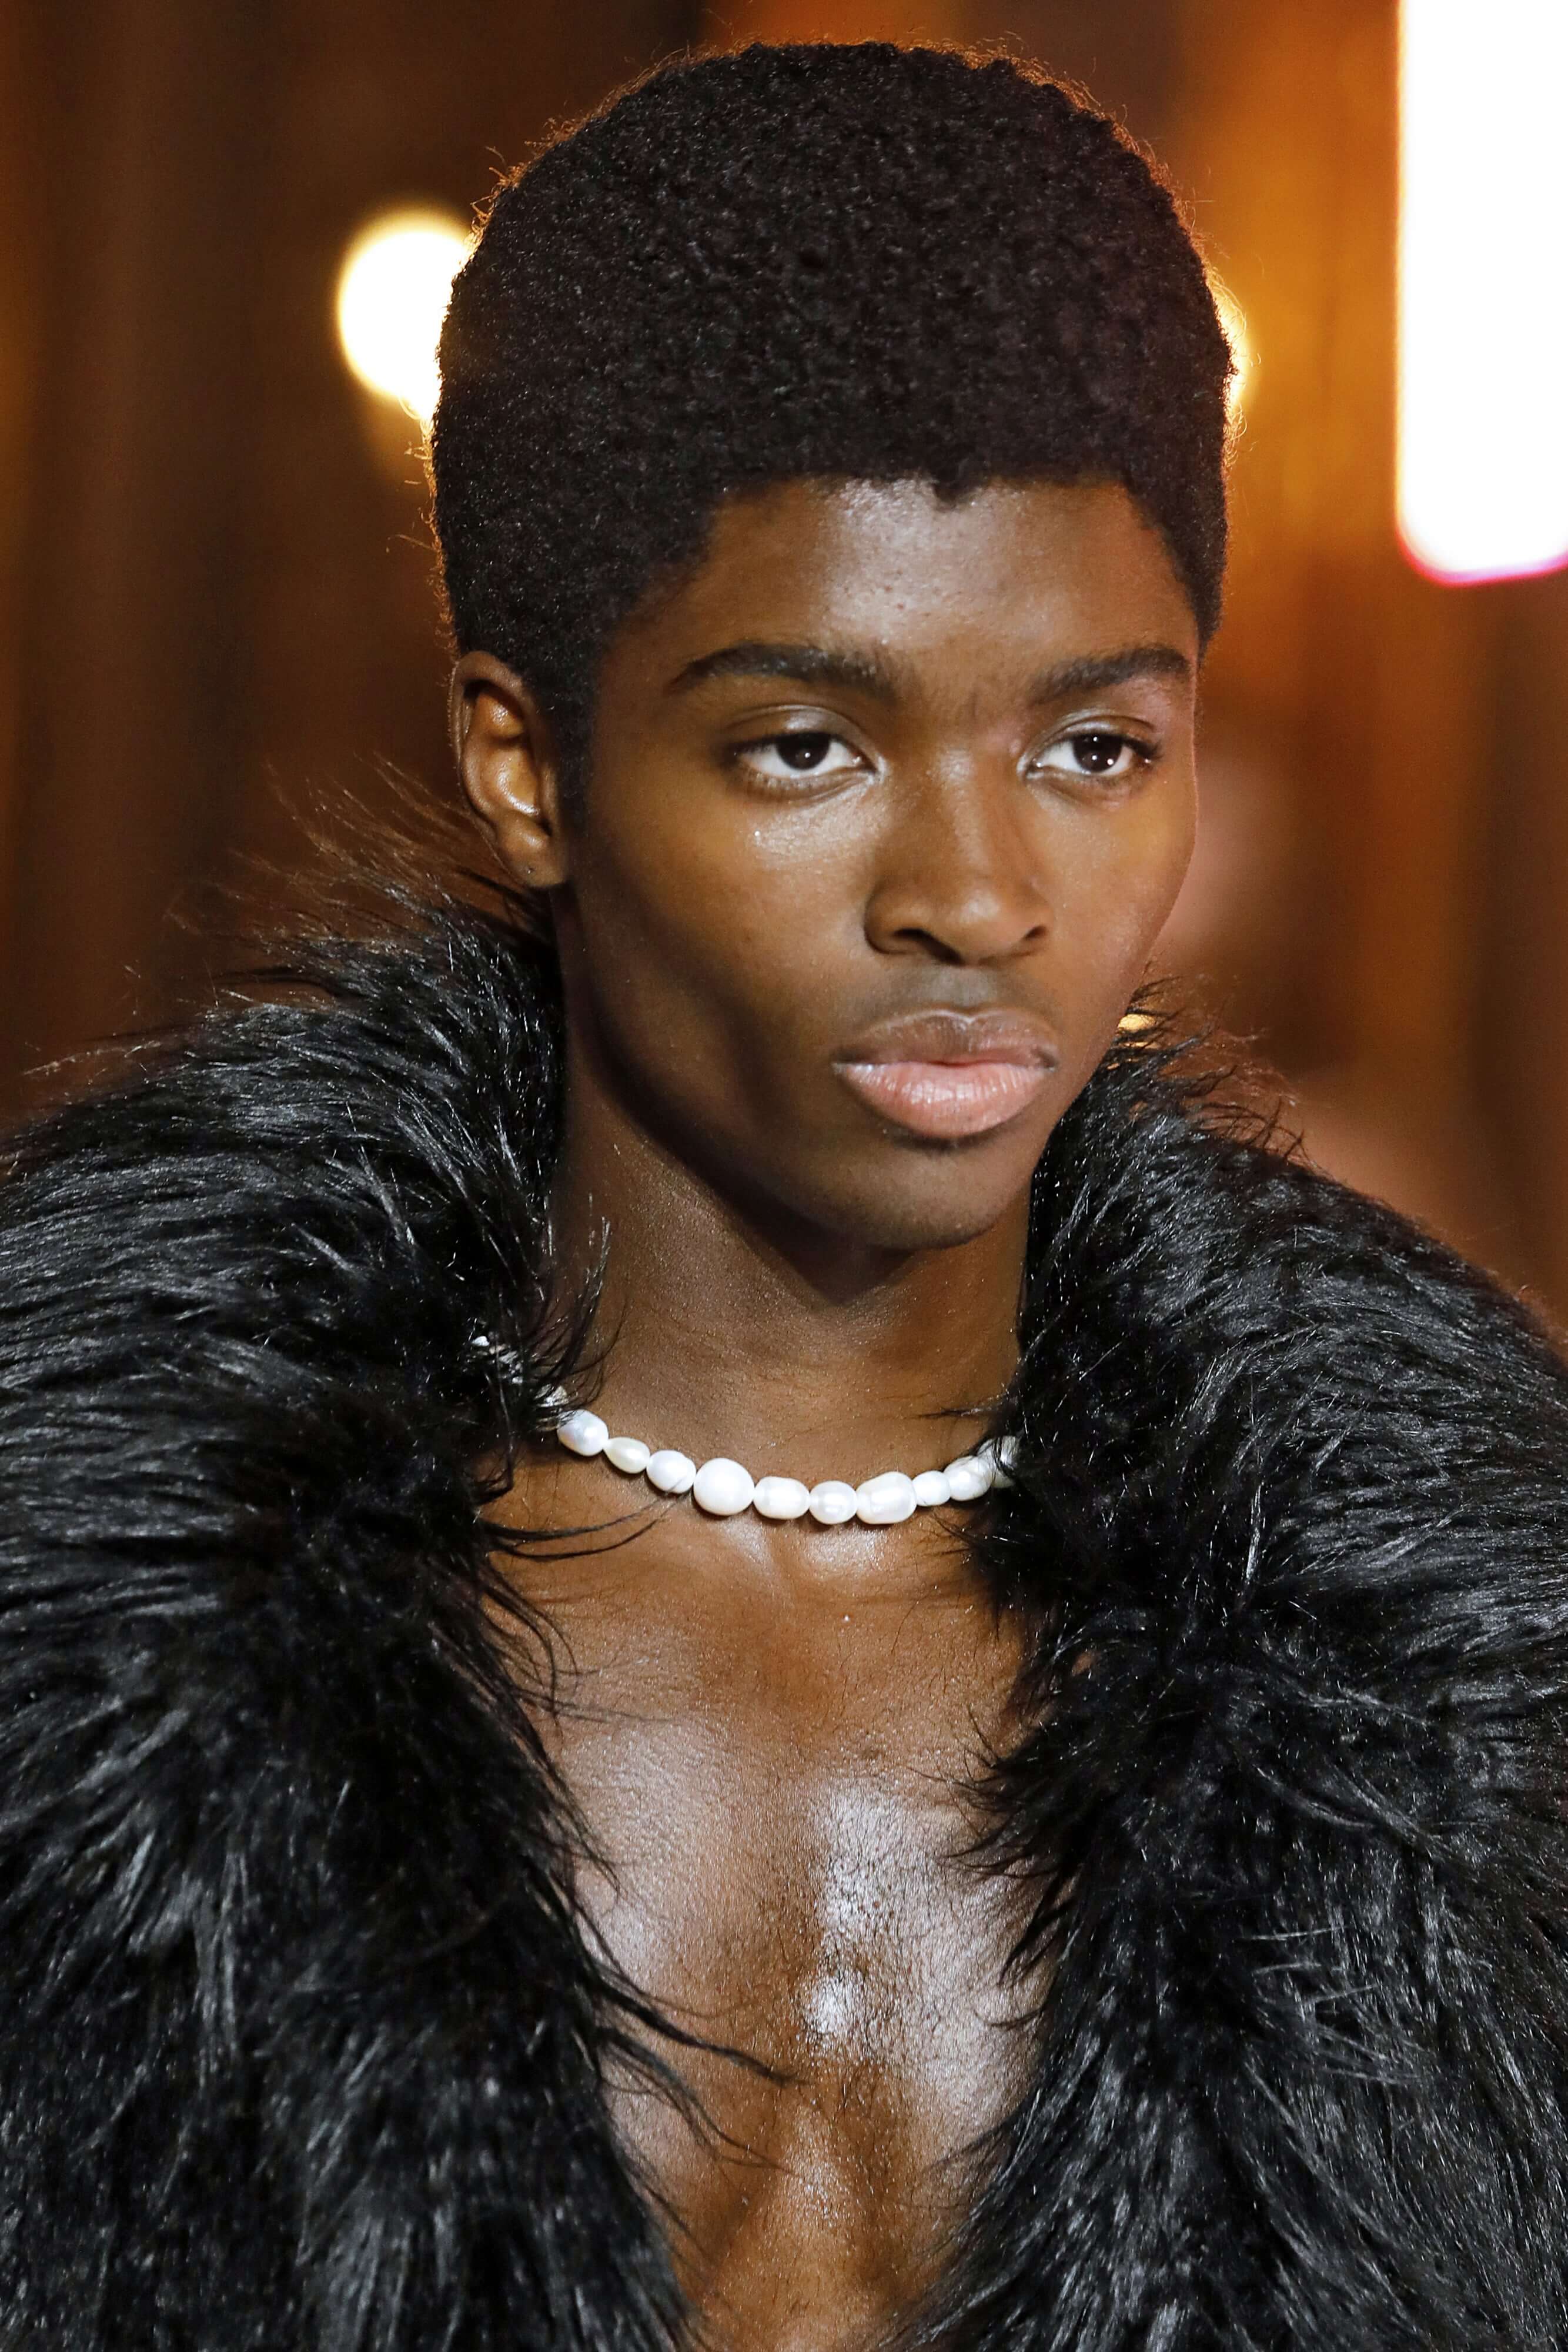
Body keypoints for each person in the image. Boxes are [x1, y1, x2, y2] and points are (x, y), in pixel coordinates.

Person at [2, 39, 1566, 2352]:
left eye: (1092, 747)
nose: (976, 893)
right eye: (805, 745)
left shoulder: (1460, 1667)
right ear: (524, 767)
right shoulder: (86, 1620)